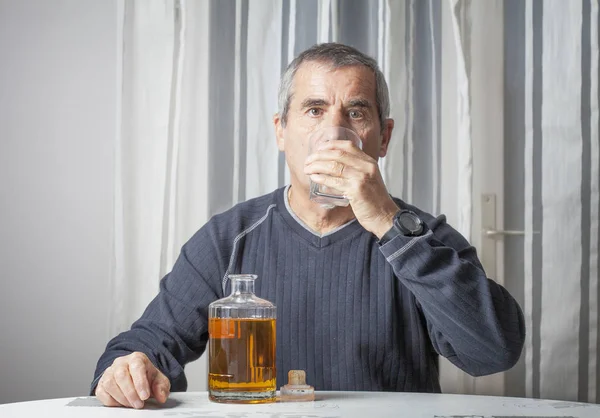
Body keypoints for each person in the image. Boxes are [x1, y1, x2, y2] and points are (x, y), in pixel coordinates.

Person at [92, 42, 525, 409]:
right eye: (314, 110)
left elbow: (493, 352)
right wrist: (130, 370)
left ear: (384, 137)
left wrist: (388, 224)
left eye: (355, 113)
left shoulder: (422, 236)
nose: (334, 132)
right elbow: (145, 344)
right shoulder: (229, 238)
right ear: (281, 131)